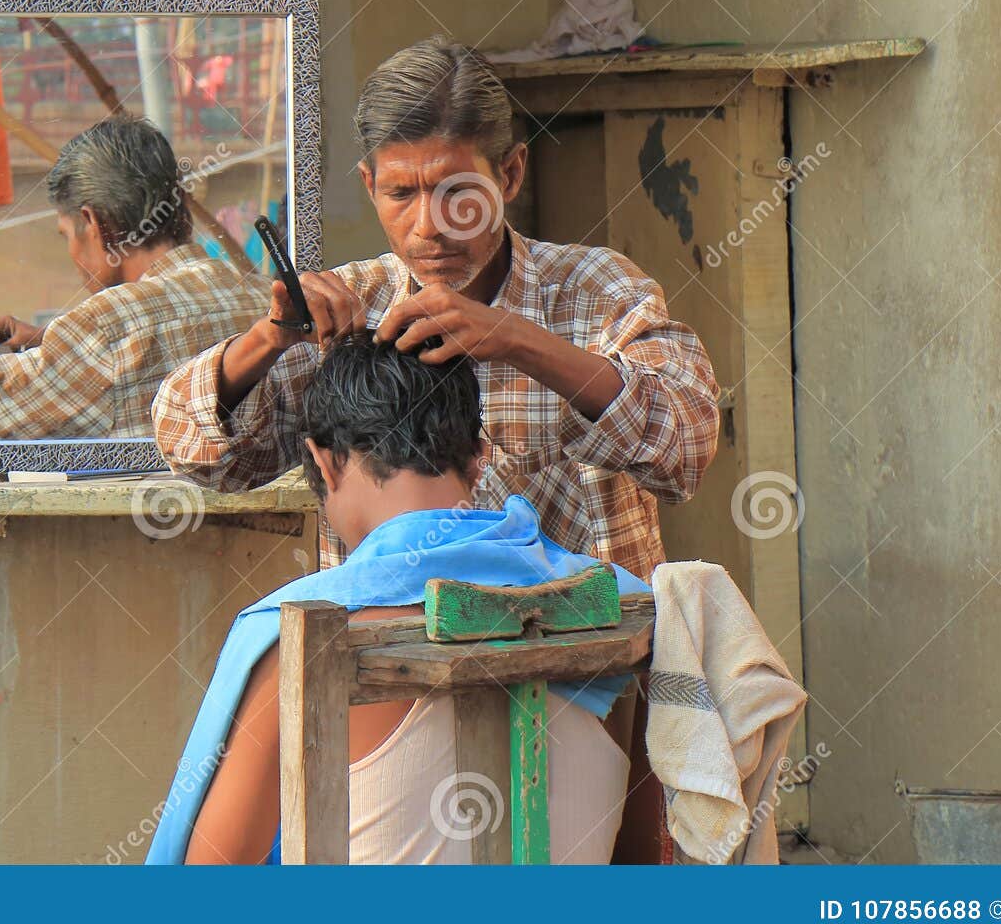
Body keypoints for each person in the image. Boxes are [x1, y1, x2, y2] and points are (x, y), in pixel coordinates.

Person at [153, 37, 720, 578]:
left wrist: (518, 339)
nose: (428, 228)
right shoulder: (347, 314)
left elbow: (687, 449)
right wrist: (268, 339)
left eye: (457, 192)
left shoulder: (597, 290)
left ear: (511, 174)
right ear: (371, 184)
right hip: (392, 660)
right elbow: (194, 451)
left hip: (589, 664)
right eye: (401, 194)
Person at [145, 335, 648, 864]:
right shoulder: (616, 606)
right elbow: (640, 854)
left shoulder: (300, 634)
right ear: (480, 456)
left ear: (324, 461)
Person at [0, 116, 267, 438]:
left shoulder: (104, 328)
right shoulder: (268, 301)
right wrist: (56, 341)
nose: (72, 254)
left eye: (66, 234)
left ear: (95, 225)